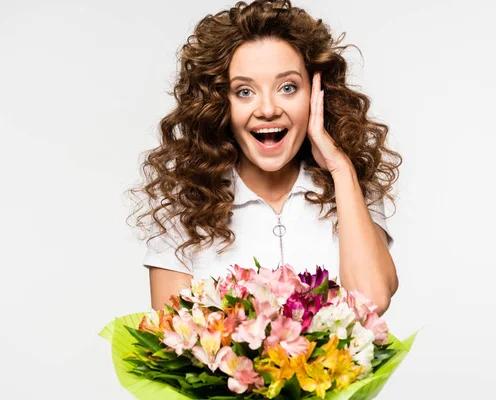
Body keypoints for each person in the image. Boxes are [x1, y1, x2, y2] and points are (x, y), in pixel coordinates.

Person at [127, 0, 402, 316]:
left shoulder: (350, 186)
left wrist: (340, 169)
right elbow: (175, 347)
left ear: (316, 94)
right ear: (220, 103)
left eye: (288, 87)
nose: (268, 109)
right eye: (244, 91)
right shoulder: (183, 207)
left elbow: (372, 302)